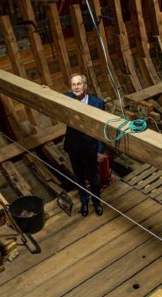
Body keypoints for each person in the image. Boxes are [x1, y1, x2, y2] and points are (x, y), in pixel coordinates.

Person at [64, 73, 107, 217]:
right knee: (78, 177)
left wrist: (101, 151)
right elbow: (49, 96)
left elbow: (103, 129)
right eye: (73, 85)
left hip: (90, 148)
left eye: (79, 84)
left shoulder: (97, 103)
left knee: (94, 178)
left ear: (86, 86)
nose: (76, 87)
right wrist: (45, 89)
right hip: (73, 147)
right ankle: (84, 203)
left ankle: (97, 202)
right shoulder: (67, 98)